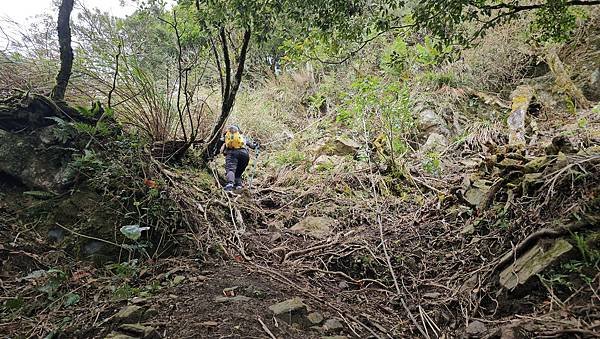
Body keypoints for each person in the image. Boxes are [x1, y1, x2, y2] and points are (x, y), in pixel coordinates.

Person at [219, 125, 258, 191]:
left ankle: (230, 184)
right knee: (238, 172)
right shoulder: (241, 137)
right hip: (245, 154)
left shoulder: (226, 136)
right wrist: (255, 145)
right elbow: (252, 146)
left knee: (231, 170)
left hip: (232, 153)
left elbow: (219, 144)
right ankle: (238, 186)